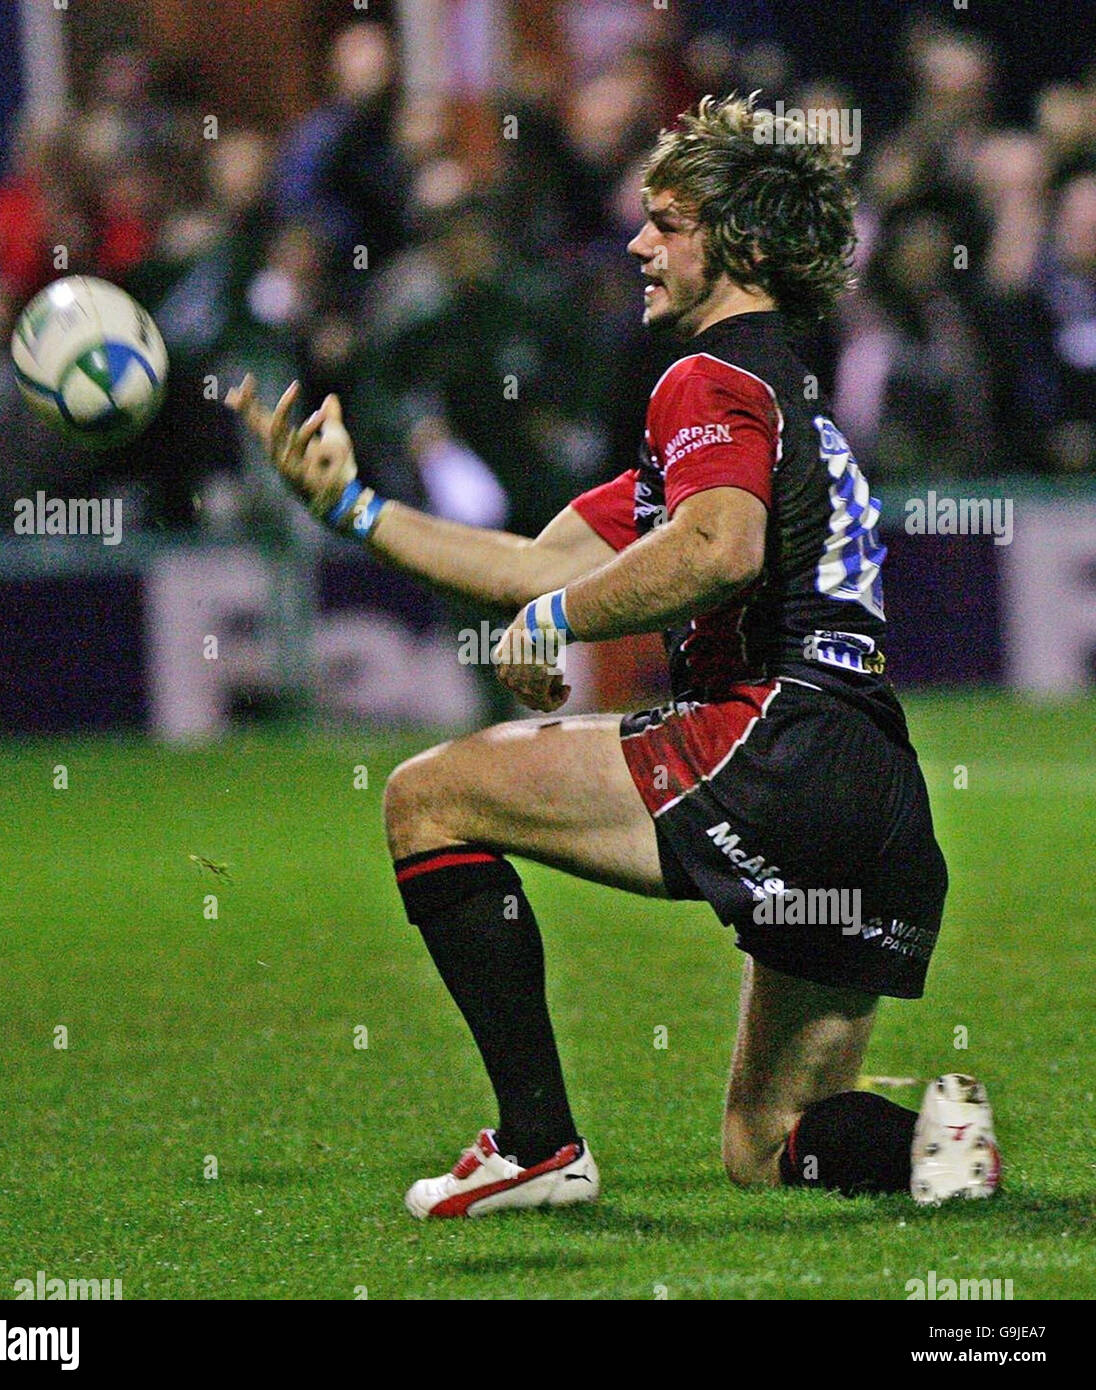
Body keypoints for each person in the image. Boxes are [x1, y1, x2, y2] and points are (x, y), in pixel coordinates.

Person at [227, 95, 1000, 1218]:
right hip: (870, 787)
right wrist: (350, 508)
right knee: (769, 1142)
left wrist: (558, 625)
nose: (638, 243)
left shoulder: (707, 379)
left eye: (667, 221)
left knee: (427, 799)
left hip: (770, 742)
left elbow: (716, 549)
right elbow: (532, 561)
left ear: (733, 244)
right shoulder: (780, 393)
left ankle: (535, 1144)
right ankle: (937, 1138)